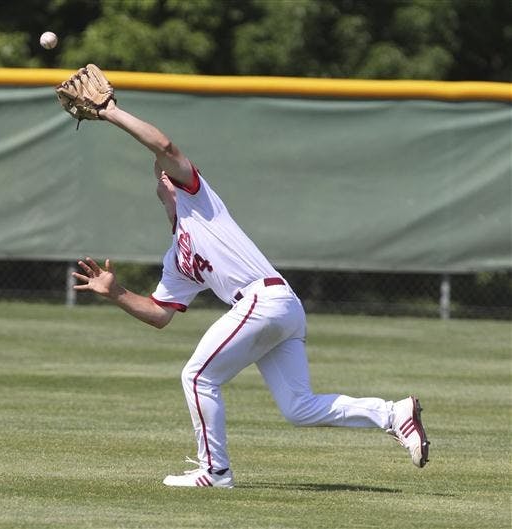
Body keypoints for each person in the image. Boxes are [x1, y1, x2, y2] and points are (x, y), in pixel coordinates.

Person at [62, 66, 430, 488]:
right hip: (280, 308)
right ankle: (393, 413)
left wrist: (111, 112)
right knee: (298, 407)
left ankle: (215, 471)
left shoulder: (197, 199)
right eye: (158, 173)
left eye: (165, 170)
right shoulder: (178, 257)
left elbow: (162, 144)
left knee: (197, 376)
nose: (162, 172)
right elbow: (160, 313)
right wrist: (117, 292)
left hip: (265, 301)